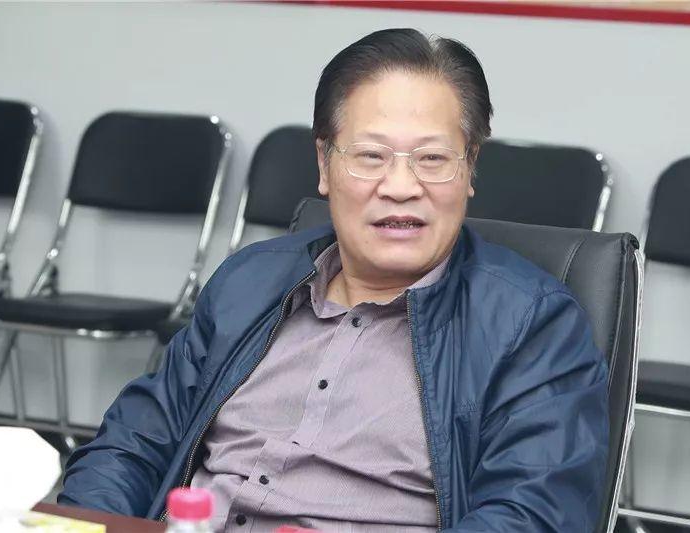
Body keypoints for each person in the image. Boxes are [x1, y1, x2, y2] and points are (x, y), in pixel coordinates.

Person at [59, 28, 609, 532]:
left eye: (432, 158)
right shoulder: (249, 282)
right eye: (370, 156)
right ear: (324, 164)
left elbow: (532, 515)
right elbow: (132, 443)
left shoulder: (533, 326)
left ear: (469, 168)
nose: (400, 186)